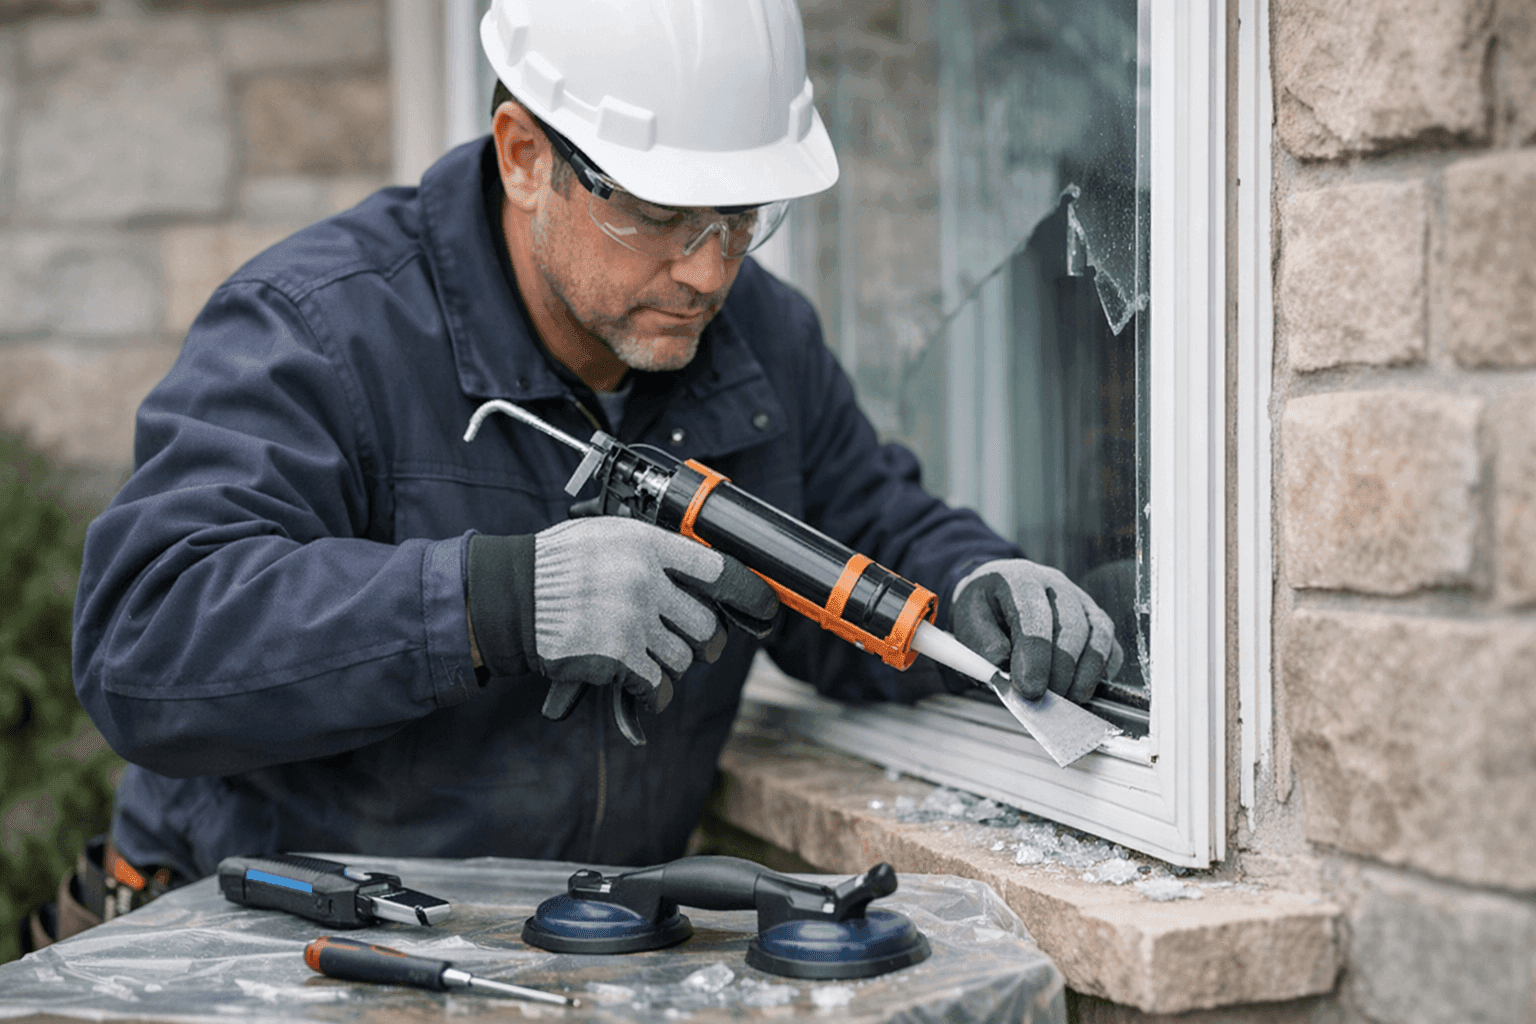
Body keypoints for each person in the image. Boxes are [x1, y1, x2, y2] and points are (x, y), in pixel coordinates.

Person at [71, 0, 1121, 888]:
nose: (710, 272)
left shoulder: (760, 342)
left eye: (742, 218)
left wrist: (973, 582)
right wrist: (493, 603)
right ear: (527, 159)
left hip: (577, 948)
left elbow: (860, 528)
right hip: (275, 942)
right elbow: (144, 640)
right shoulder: (318, 329)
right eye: (663, 217)